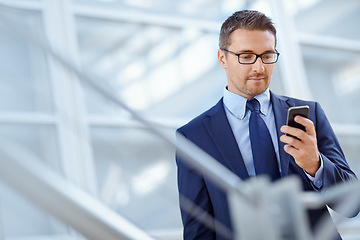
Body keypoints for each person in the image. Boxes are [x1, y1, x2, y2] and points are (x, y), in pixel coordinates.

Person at [176, 10, 357, 240]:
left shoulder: (309, 114)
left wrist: (315, 165)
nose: (259, 67)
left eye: (267, 55)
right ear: (223, 58)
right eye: (246, 56)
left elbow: (353, 204)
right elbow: (197, 232)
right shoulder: (194, 137)